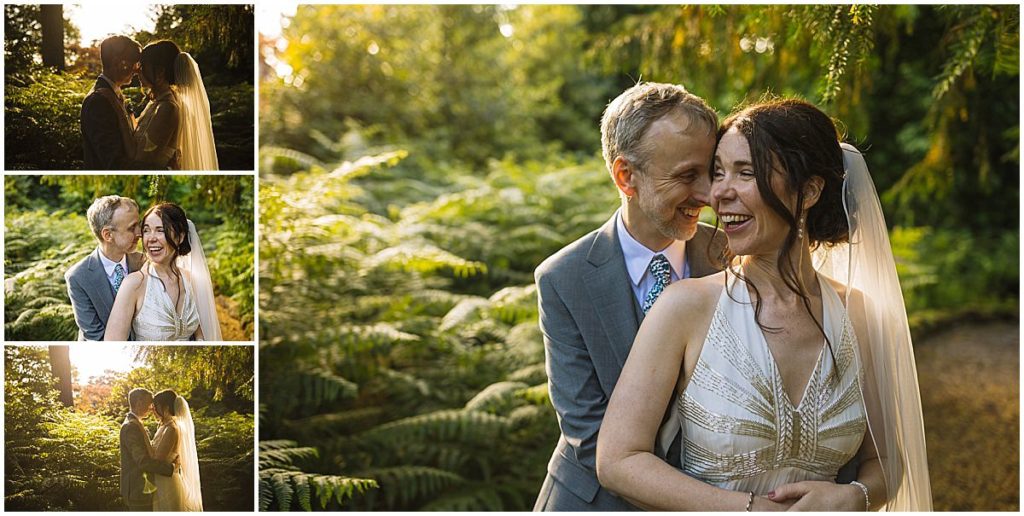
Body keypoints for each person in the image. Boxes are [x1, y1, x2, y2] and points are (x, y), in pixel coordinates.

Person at [596, 99, 931, 511]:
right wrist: (750, 510)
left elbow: (888, 460)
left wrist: (853, 495)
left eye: (746, 173)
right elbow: (618, 461)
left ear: (808, 191)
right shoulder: (685, 308)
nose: (719, 193)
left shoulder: (859, 316)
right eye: (718, 173)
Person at [533, 82, 724, 511]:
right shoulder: (564, 279)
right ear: (626, 176)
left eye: (712, 172)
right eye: (687, 175)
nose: (709, 194)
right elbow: (588, 431)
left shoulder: (735, 260)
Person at [105, 202, 222, 341]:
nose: (151, 238)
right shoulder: (134, 284)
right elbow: (112, 345)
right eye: (147, 230)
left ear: (180, 237)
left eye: (160, 230)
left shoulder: (192, 281)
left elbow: (203, 335)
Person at [65, 195, 144, 340]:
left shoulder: (144, 263)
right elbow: (94, 335)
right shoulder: (78, 277)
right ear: (108, 235)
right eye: (132, 228)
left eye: (138, 225)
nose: (139, 233)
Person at [134, 40, 219, 170]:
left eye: (143, 66)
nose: (138, 71)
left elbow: (142, 159)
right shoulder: (158, 102)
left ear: (160, 72)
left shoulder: (167, 107)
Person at [81, 36, 143, 170]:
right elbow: (113, 161)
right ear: (117, 62)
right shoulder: (98, 101)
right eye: (135, 63)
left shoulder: (113, 94)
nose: (137, 70)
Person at [119, 388, 175, 511]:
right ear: (139, 403)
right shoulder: (131, 427)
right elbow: (142, 461)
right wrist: (171, 468)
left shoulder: (134, 423)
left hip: (141, 487)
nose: (151, 408)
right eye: (149, 404)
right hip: (137, 488)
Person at [150, 389, 204, 511]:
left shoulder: (172, 429)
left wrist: (142, 446)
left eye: (156, 405)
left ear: (166, 406)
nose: (153, 409)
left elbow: (159, 457)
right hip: (160, 478)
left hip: (166, 481)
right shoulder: (164, 426)